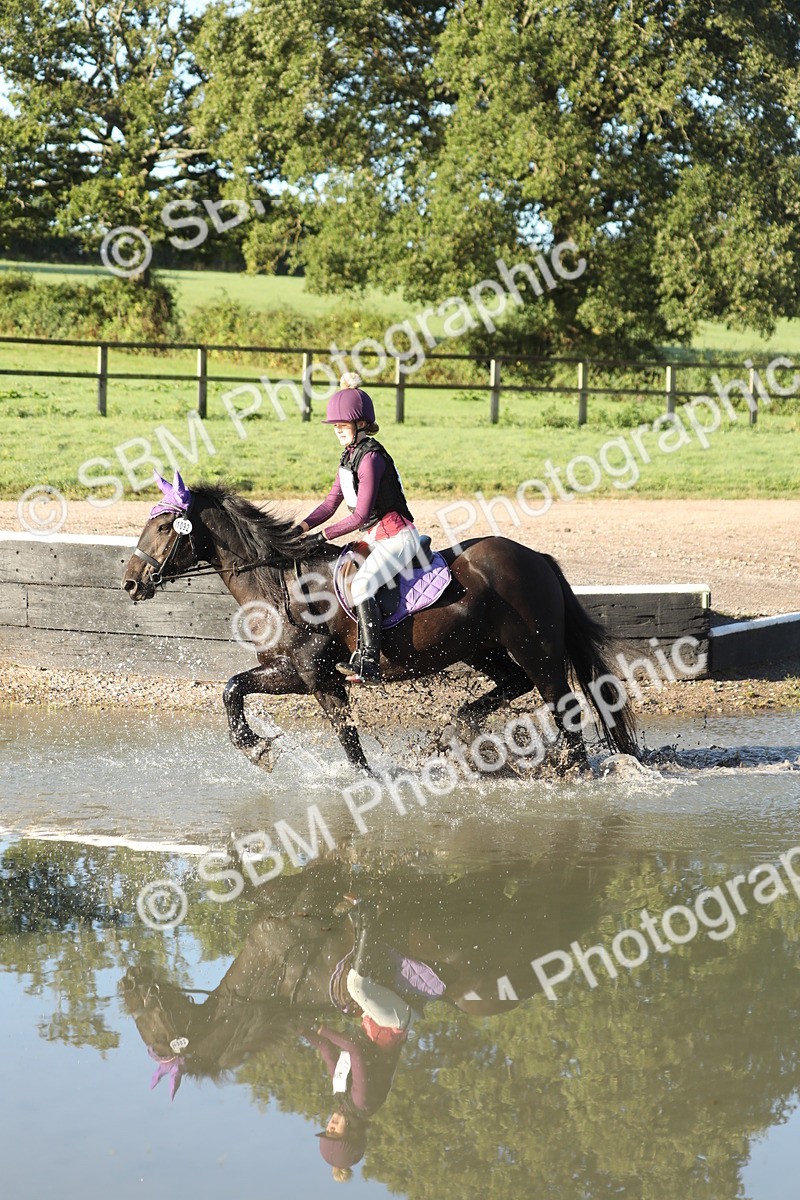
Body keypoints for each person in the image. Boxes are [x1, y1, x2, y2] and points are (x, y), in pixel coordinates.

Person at [296, 372, 421, 684]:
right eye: (335, 425)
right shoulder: (349, 456)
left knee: (361, 585)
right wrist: (298, 529)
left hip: (397, 538)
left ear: (361, 423)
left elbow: (359, 514)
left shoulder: (371, 458)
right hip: (376, 537)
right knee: (342, 574)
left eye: (343, 424)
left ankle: (369, 661)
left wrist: (321, 537)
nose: (338, 429)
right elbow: (330, 503)